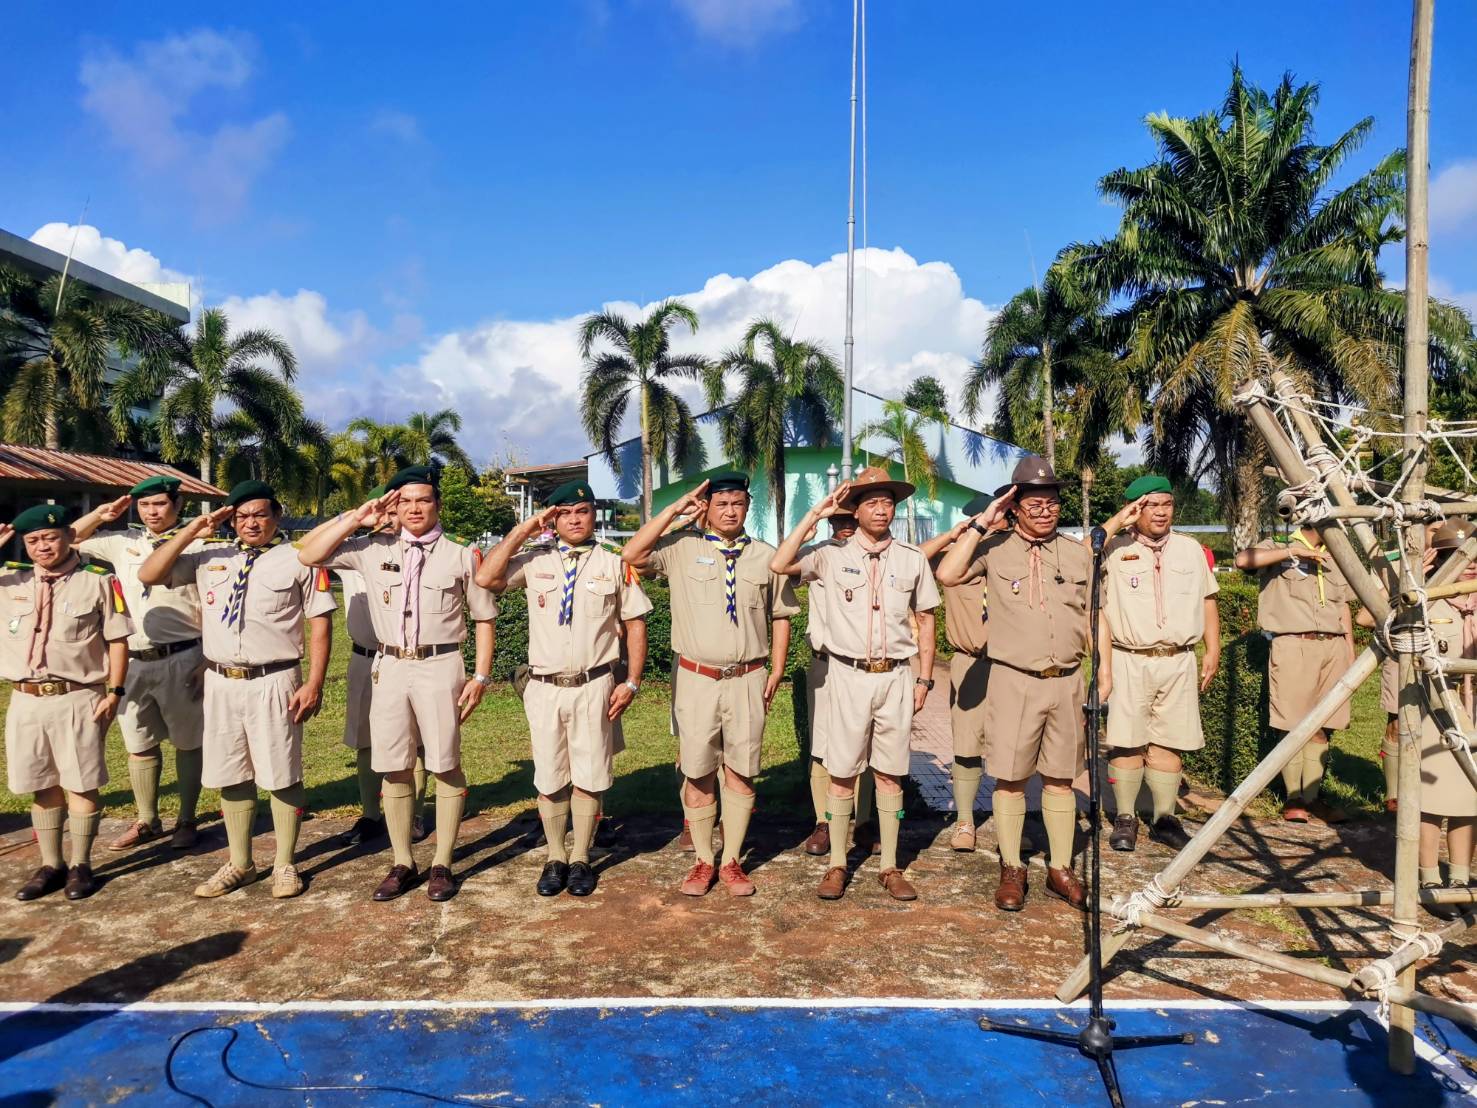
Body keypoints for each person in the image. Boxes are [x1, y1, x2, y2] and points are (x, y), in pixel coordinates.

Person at [295, 466, 495, 902]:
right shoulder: (371, 548)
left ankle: (442, 862)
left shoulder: (462, 554)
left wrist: (480, 675)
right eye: (405, 501)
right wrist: (357, 517)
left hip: (440, 665)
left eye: (423, 500)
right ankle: (403, 861)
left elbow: (483, 617)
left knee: (444, 764)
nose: (414, 508)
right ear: (394, 506)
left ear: (438, 504)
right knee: (394, 766)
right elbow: (308, 554)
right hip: (389, 666)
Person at [139, 481, 335, 899]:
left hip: (274, 679)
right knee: (231, 772)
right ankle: (241, 862)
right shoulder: (209, 556)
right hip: (221, 682)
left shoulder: (300, 558)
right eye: (241, 516)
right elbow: (149, 573)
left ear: (276, 516)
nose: (251, 523)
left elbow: (320, 622)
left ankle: (284, 864)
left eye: (260, 514)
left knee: (282, 773)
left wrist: (315, 682)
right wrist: (192, 530)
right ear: (231, 520)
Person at [622, 472, 799, 897]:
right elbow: (632, 553)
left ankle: (732, 859)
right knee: (698, 770)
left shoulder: (766, 556)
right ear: (708, 507)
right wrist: (675, 510)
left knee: (742, 769)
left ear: (748, 505)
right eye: (721, 504)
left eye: (737, 503)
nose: (730, 511)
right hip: (696, 677)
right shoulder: (682, 547)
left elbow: (780, 615)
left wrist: (776, 669)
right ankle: (704, 859)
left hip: (747, 677)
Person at [772, 467, 939, 902]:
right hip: (847, 675)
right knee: (842, 772)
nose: (881, 510)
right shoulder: (830, 554)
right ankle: (837, 863)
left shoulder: (912, 558)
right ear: (856, 510)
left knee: (890, 773)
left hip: (896, 676)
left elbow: (925, 618)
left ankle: (889, 866)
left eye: (887, 502)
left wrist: (925, 678)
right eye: (871, 503)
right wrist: (815, 514)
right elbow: (780, 564)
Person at [478, 480, 649, 898]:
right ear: (553, 520)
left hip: (594, 684)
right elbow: (486, 577)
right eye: (565, 514)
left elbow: (635, 624)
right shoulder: (534, 561)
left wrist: (631, 681)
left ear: (593, 515)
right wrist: (525, 529)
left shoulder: (614, 563)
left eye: (582, 511)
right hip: (544, 687)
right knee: (550, 777)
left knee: (589, 776)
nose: (574, 520)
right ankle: (555, 856)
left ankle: (581, 858)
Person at [936, 456, 1091, 912]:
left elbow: (1092, 616)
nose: (1045, 511)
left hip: (1066, 681)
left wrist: (1102, 676)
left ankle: (1060, 869)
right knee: (1011, 780)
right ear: (1015, 506)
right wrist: (984, 522)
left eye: (1051, 503)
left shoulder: (1077, 552)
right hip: (1012, 679)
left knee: (1060, 780)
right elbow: (947, 573)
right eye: (1034, 504)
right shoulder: (993, 548)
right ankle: (1012, 868)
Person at [1, 505, 133, 901]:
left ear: (69, 537)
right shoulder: (10, 580)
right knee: (40, 783)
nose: (42, 546)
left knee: (81, 781)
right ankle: (51, 864)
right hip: (26, 699)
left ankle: (81, 864)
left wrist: (115, 691)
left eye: (50, 537)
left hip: (78, 697)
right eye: (33, 540)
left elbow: (117, 640)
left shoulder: (98, 581)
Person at [70, 476, 207, 851]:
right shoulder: (123, 541)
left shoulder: (199, 543)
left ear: (178, 505)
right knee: (139, 743)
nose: (151, 512)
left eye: (159, 504)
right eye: (144, 505)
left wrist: (207, 659)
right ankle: (147, 819)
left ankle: (187, 819)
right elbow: (68, 540)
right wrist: (100, 515)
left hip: (183, 655)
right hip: (132, 659)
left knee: (188, 742)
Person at [1095, 476, 1220, 853]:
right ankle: (1126, 817)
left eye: (1167, 504)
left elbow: (1208, 599)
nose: (1162, 512)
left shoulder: (1190, 549)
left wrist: (1212, 648)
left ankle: (1164, 818)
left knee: (1170, 741)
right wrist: (1118, 521)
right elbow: (1080, 557)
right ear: (1135, 509)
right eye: (1152, 505)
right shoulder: (1113, 548)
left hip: (1178, 659)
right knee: (1126, 742)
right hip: (1129, 658)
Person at [1234, 524, 1355, 823]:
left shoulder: (1338, 552)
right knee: (1292, 724)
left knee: (1324, 725)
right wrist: (1292, 552)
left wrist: (1350, 651)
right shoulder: (1279, 543)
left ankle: (1313, 798)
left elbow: (1343, 606)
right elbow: (1243, 560)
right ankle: (1293, 797)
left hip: (1333, 646)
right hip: (1294, 642)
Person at [793, 511, 878, 858]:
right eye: (837, 520)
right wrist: (805, 529)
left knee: (866, 745)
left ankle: (863, 821)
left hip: (865, 667)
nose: (845, 526)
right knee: (822, 744)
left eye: (851, 519)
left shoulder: (878, 555)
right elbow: (782, 565)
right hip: (826, 664)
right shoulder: (818, 553)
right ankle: (823, 821)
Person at [920, 496, 1002, 852]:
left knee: (1013, 746)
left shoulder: (1012, 555)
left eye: (1001, 517)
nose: (997, 523)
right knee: (967, 746)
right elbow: (913, 559)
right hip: (970, 661)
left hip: (1012, 666)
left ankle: (1008, 822)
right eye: (989, 519)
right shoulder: (952, 558)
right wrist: (953, 536)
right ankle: (965, 821)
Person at [1408, 521, 1477, 919]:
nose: (1469, 567)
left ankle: (1460, 878)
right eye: (1457, 558)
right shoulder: (1427, 599)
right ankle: (1430, 878)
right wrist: (1415, 584)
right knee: (1432, 797)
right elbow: (1370, 619)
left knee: (1469, 796)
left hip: (1475, 709)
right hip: (1437, 708)